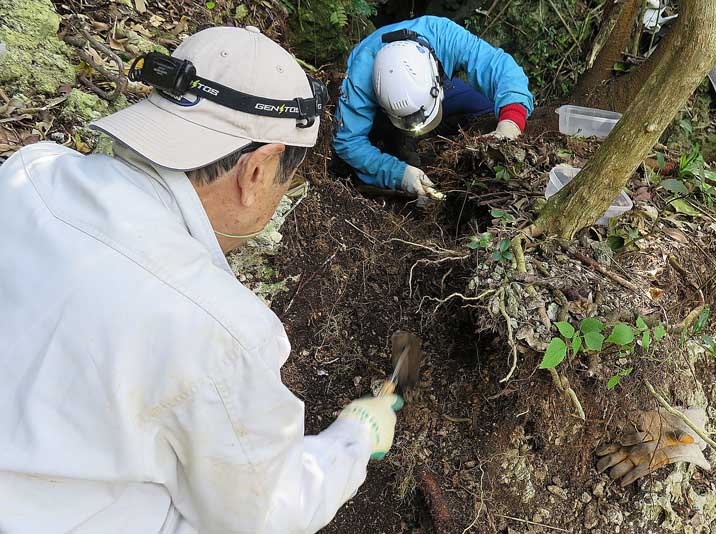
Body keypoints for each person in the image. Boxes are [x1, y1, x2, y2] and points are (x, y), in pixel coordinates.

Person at [0, 26, 402, 534]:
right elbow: (266, 512)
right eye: (287, 179)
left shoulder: (31, 172)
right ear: (258, 170)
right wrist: (354, 438)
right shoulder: (221, 332)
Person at [333, 16, 534, 204]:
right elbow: (349, 141)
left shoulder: (441, 33)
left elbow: (500, 67)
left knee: (484, 107)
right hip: (385, 118)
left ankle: (429, 138)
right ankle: (398, 141)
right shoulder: (359, 78)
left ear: (435, 68)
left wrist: (510, 124)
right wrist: (398, 174)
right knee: (386, 147)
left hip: (439, 92)